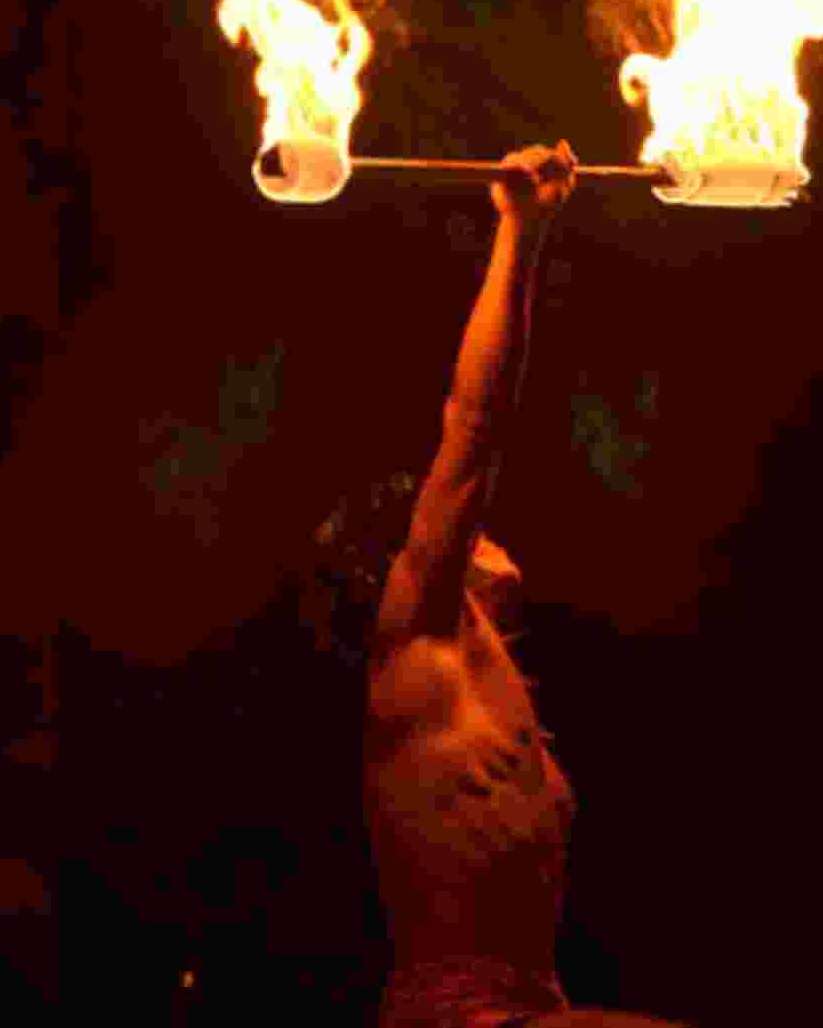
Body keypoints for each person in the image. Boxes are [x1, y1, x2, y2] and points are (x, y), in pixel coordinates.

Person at [305, 142, 686, 1028]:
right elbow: (476, 423)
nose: (489, 530)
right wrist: (522, 232)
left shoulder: (493, 683)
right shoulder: (418, 636)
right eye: (469, 525)